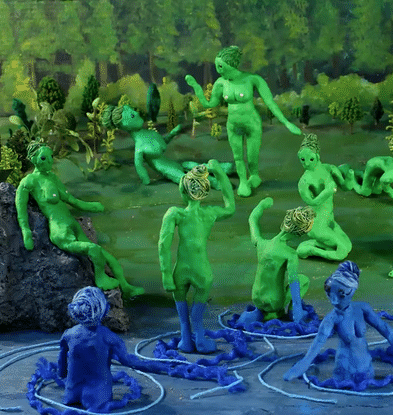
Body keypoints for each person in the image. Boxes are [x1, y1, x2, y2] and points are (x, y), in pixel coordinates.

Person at [15, 142, 144, 297]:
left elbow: (71, 200)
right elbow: (20, 207)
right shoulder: (29, 181)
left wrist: (91, 206)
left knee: (108, 257)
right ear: (33, 159)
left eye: (50, 157)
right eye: (43, 158)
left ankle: (126, 287)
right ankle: (100, 279)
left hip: (72, 224)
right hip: (59, 230)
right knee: (94, 249)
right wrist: (26, 232)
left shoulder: (52, 178)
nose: (49, 161)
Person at [185, 46, 301, 197]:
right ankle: (243, 182)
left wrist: (286, 123)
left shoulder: (252, 79)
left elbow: (270, 103)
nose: (218, 70)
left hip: (252, 124)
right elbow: (209, 104)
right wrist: (196, 87)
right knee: (238, 157)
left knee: (252, 156)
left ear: (231, 64)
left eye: (221, 66)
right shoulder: (221, 83)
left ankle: (254, 176)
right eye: (217, 66)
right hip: (233, 125)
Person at [284, 261, 393, 383]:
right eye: (330, 294)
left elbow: (382, 326)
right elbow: (318, 342)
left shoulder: (362, 308)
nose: (334, 301)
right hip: (344, 372)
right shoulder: (332, 319)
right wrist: (303, 364)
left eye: (341, 294)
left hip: (366, 368)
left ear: (352, 290)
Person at [159, 161, 235, 353]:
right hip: (202, 271)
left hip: (181, 270)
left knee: (182, 310)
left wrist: (166, 275)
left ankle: (186, 339)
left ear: (183, 191)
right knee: (197, 313)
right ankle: (199, 337)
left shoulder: (174, 214)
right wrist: (219, 172)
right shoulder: (209, 213)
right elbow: (230, 207)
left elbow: (163, 245)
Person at [101, 104, 231, 187]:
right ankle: (216, 183)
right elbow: (138, 165)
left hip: (173, 163)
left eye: (134, 111)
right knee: (186, 179)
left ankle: (222, 169)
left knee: (189, 165)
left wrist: (173, 133)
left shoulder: (149, 134)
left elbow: (163, 142)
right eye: (132, 115)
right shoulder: (139, 147)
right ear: (124, 124)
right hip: (167, 169)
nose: (137, 114)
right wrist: (146, 180)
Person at [236, 197, 313, 326]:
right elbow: (294, 284)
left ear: (285, 222)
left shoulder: (261, 243)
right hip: (274, 302)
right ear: (301, 232)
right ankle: (289, 312)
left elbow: (252, 219)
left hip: (256, 298)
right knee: (303, 280)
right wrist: (297, 314)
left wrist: (262, 205)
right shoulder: (290, 254)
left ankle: (261, 313)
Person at [59, 286, 132, 412]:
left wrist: (62, 376)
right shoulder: (108, 337)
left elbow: (61, 370)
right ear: (105, 310)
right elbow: (130, 362)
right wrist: (162, 367)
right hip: (97, 397)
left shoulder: (68, 334)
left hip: (71, 393)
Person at [296, 133, 352, 261]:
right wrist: (328, 191)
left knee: (348, 246)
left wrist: (350, 176)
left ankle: (317, 245)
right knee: (342, 252)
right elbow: (312, 202)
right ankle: (312, 250)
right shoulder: (304, 181)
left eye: (311, 159)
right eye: (302, 160)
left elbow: (345, 186)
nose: (306, 163)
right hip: (317, 225)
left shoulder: (328, 169)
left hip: (329, 220)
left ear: (317, 156)